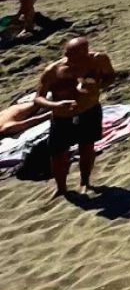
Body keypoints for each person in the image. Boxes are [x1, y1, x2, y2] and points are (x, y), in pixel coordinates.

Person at [37, 37, 116, 197]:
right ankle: (61, 187)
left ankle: (85, 181)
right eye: (67, 54)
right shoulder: (54, 71)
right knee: (58, 154)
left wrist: (98, 85)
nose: (69, 59)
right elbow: (38, 98)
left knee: (87, 147)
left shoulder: (98, 60)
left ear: (85, 53)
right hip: (62, 117)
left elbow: (110, 77)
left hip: (89, 110)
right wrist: (56, 105)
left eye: (74, 56)